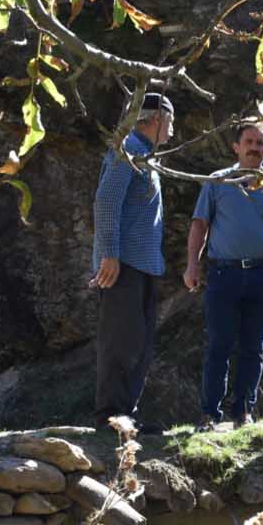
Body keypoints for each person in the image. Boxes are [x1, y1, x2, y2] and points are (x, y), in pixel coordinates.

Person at [184, 121, 263, 430]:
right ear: (236, 146)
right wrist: (192, 265)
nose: (254, 147)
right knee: (219, 344)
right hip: (224, 275)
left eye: (261, 143)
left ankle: (243, 413)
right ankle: (209, 414)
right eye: (249, 141)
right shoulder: (218, 182)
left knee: (253, 346)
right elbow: (199, 225)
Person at [91, 92, 175, 433]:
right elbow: (106, 202)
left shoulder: (145, 156)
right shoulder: (126, 152)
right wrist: (108, 254)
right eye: (170, 121)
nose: (173, 129)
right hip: (123, 265)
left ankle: (126, 416)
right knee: (121, 341)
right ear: (155, 119)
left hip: (142, 266)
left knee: (138, 343)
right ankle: (110, 416)